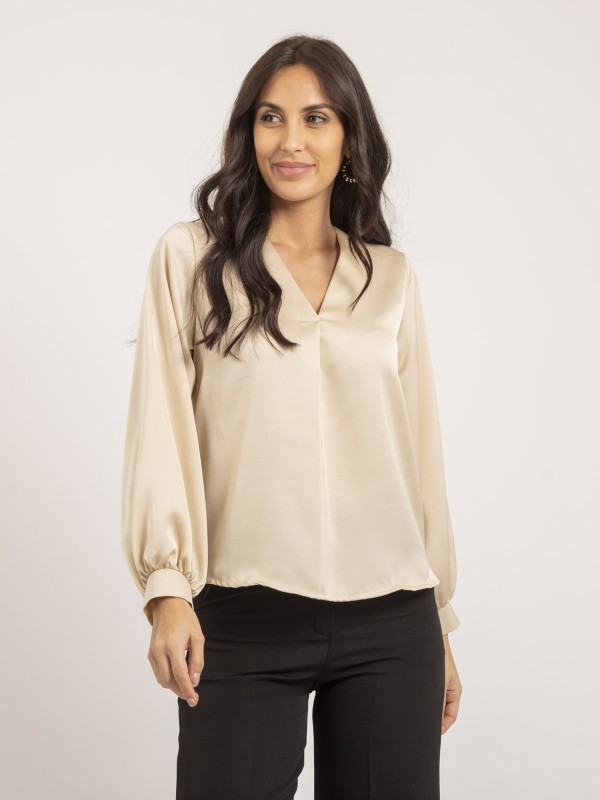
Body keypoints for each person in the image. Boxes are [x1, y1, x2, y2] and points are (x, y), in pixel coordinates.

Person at [121, 33, 462, 800]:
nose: (291, 140)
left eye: (316, 118)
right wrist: (167, 589)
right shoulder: (192, 259)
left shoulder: (391, 278)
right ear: (248, 133)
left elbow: (420, 457)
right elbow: (161, 428)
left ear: (349, 138)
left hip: (392, 625)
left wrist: (440, 622)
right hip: (242, 618)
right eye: (271, 117)